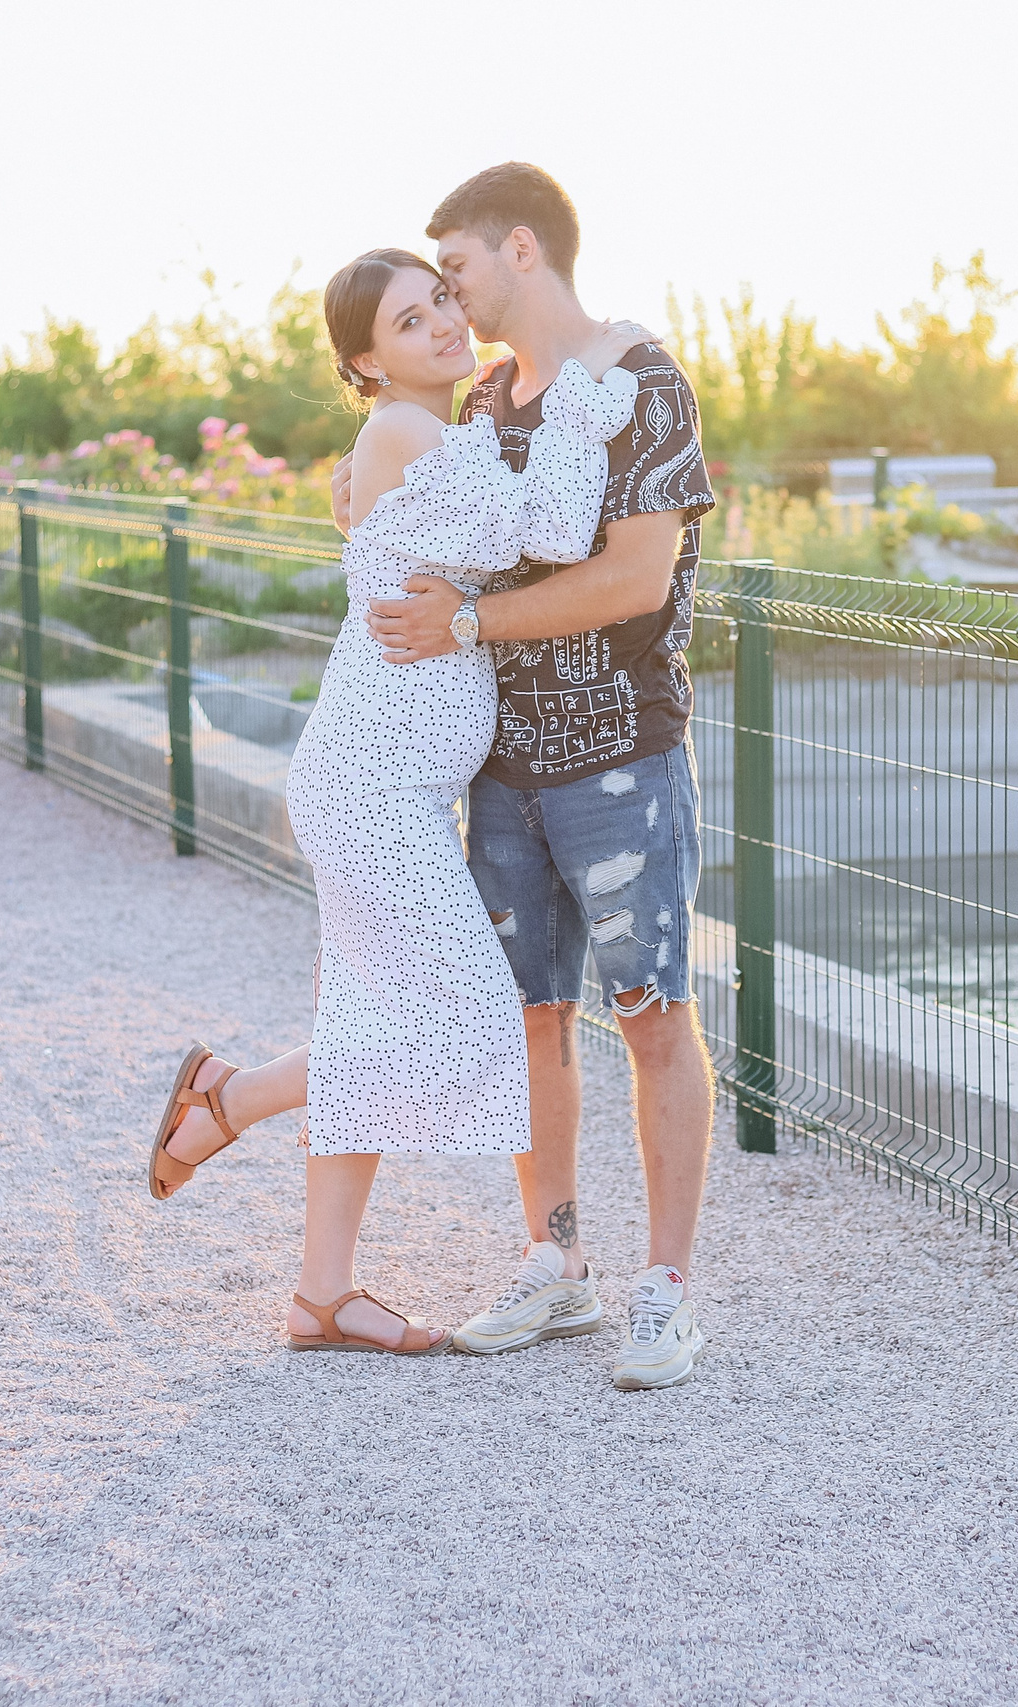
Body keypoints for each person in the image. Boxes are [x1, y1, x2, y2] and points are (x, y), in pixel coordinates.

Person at [146, 246, 645, 1360]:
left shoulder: (429, 438)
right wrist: (589, 395)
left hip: (388, 788)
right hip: (373, 788)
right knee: (463, 1017)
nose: (441, 329)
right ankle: (226, 1096)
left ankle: (321, 1297)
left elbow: (481, 536)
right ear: (365, 363)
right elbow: (558, 535)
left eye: (440, 305)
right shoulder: (406, 434)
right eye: (409, 324)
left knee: (372, 1024)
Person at [336, 164, 719, 1392]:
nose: (447, 297)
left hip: (621, 761)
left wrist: (461, 629)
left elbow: (630, 583)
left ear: (517, 250)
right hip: (501, 768)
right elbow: (441, 529)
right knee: (530, 1022)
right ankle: (556, 1269)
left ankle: (664, 1291)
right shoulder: (487, 398)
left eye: (453, 272)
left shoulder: (643, 382)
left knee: (652, 1014)